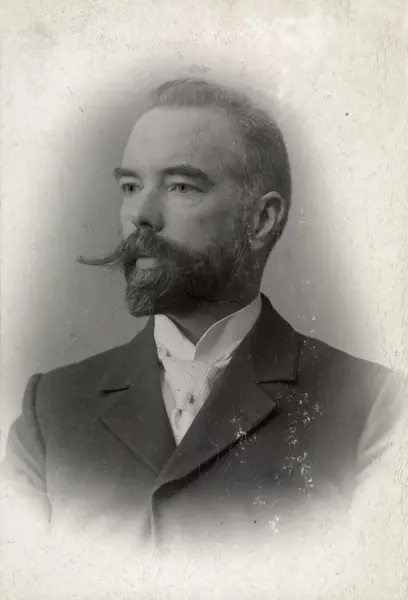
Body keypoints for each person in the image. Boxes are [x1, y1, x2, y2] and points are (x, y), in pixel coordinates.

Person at [0, 77, 402, 551]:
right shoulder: (50, 413)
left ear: (261, 220)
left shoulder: (374, 409)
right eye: (130, 186)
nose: (141, 214)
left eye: (181, 186)